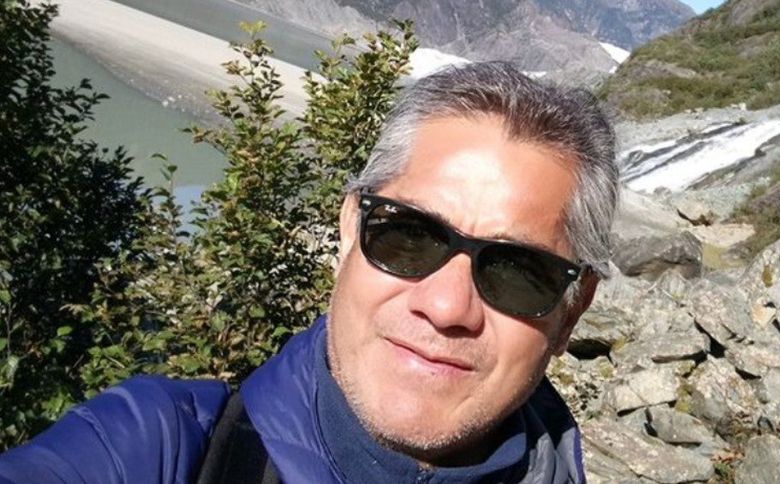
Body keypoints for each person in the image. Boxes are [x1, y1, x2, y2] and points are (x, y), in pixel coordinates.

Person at [0, 61, 618, 483]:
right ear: (350, 229)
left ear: (574, 309)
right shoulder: (159, 449)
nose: (446, 306)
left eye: (518, 272)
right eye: (409, 235)